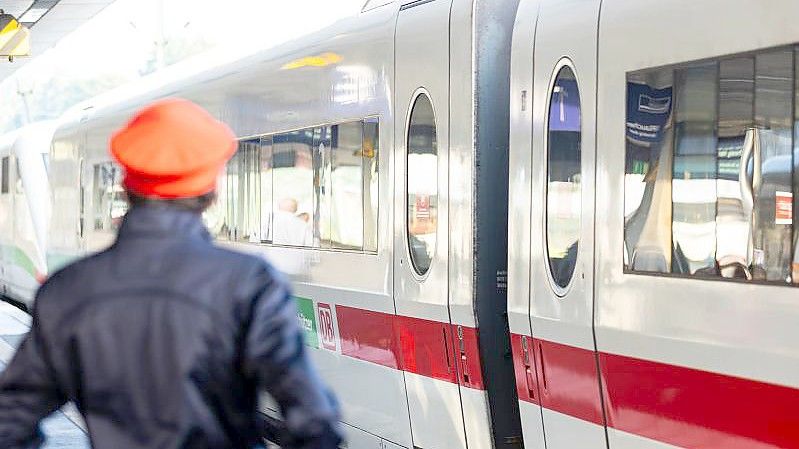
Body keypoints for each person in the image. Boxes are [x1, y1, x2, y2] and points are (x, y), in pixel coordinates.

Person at [0, 98, 343, 449]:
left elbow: (10, 418)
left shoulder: (68, 289)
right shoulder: (251, 283)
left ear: (125, 186)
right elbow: (314, 422)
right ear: (212, 190)